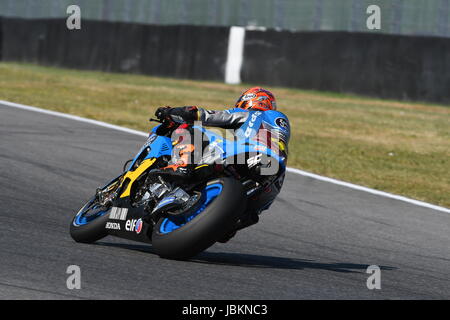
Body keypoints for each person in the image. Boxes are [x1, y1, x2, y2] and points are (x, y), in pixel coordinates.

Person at [151, 87, 289, 234]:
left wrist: (178, 112)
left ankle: (182, 165)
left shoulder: (253, 114)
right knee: (247, 215)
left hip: (249, 154)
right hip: (272, 181)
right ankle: (231, 224)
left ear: (249, 100)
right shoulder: (279, 134)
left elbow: (209, 116)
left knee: (188, 129)